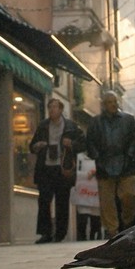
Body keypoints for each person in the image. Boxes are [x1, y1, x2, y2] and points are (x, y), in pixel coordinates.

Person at [86, 91, 135, 237]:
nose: (113, 104)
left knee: (129, 195)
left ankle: (127, 222)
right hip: (104, 163)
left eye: (115, 101)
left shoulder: (128, 120)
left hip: (126, 163)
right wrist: (97, 158)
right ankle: (112, 230)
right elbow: (90, 141)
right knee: (107, 201)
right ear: (104, 105)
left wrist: (130, 155)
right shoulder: (95, 122)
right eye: (109, 102)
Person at [29, 97, 85, 244]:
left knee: (62, 202)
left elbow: (83, 144)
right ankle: (45, 233)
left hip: (62, 168)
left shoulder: (71, 126)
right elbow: (32, 146)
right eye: (50, 107)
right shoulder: (43, 126)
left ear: (61, 109)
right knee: (44, 201)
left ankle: (60, 233)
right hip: (45, 167)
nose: (51, 110)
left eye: (54, 107)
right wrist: (37, 146)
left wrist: (71, 144)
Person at [73, 151, 102, 240]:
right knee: (82, 218)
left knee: (96, 219)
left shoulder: (100, 155)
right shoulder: (78, 157)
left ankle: (94, 235)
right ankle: (82, 237)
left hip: (96, 195)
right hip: (82, 194)